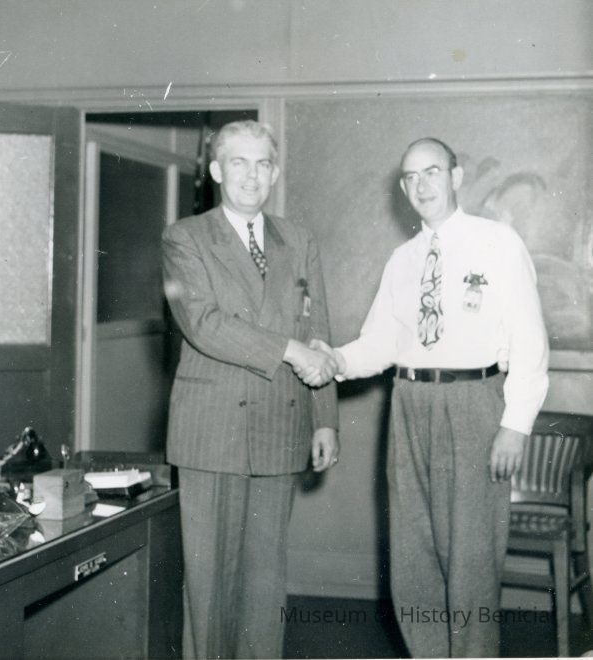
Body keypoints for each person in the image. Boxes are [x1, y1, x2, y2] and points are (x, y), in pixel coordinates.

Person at [304, 137, 549, 657]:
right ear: (403, 188)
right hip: (409, 404)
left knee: (470, 559)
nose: (422, 185)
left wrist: (515, 424)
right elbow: (382, 342)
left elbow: (531, 340)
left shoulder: (498, 242)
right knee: (413, 557)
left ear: (455, 178)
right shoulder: (403, 259)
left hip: (475, 404)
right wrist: (337, 359)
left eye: (432, 172)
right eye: (411, 177)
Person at [162, 120, 339, 659]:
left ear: (275, 173)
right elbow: (204, 324)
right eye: (238, 162)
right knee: (209, 587)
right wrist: (290, 350)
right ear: (217, 171)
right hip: (211, 432)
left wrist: (325, 418)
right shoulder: (185, 237)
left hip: (281, 425)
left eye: (263, 164)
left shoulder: (298, 240)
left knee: (265, 587)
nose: (251, 175)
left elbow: (318, 331)